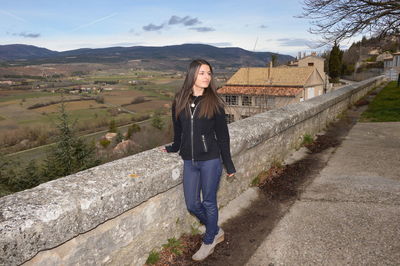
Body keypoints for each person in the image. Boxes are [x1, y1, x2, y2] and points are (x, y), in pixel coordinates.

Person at [162, 59, 236, 261]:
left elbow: (223, 136)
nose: (206, 77)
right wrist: (174, 148)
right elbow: (179, 130)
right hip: (189, 161)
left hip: (211, 160)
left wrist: (228, 164)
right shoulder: (180, 100)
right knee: (192, 205)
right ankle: (215, 229)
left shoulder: (214, 102)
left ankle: (209, 239)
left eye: (209, 74)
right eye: (202, 73)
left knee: (209, 202)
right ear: (192, 74)